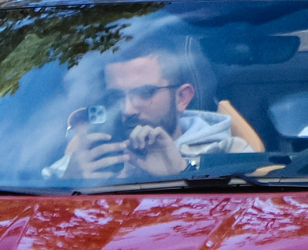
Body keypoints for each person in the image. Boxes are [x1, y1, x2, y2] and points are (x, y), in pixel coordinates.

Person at [52, 23, 255, 182]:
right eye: (116, 97)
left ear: (182, 98)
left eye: (145, 93)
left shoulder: (227, 152)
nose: (127, 109)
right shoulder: (89, 156)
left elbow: (243, 221)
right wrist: (69, 181)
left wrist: (183, 172)